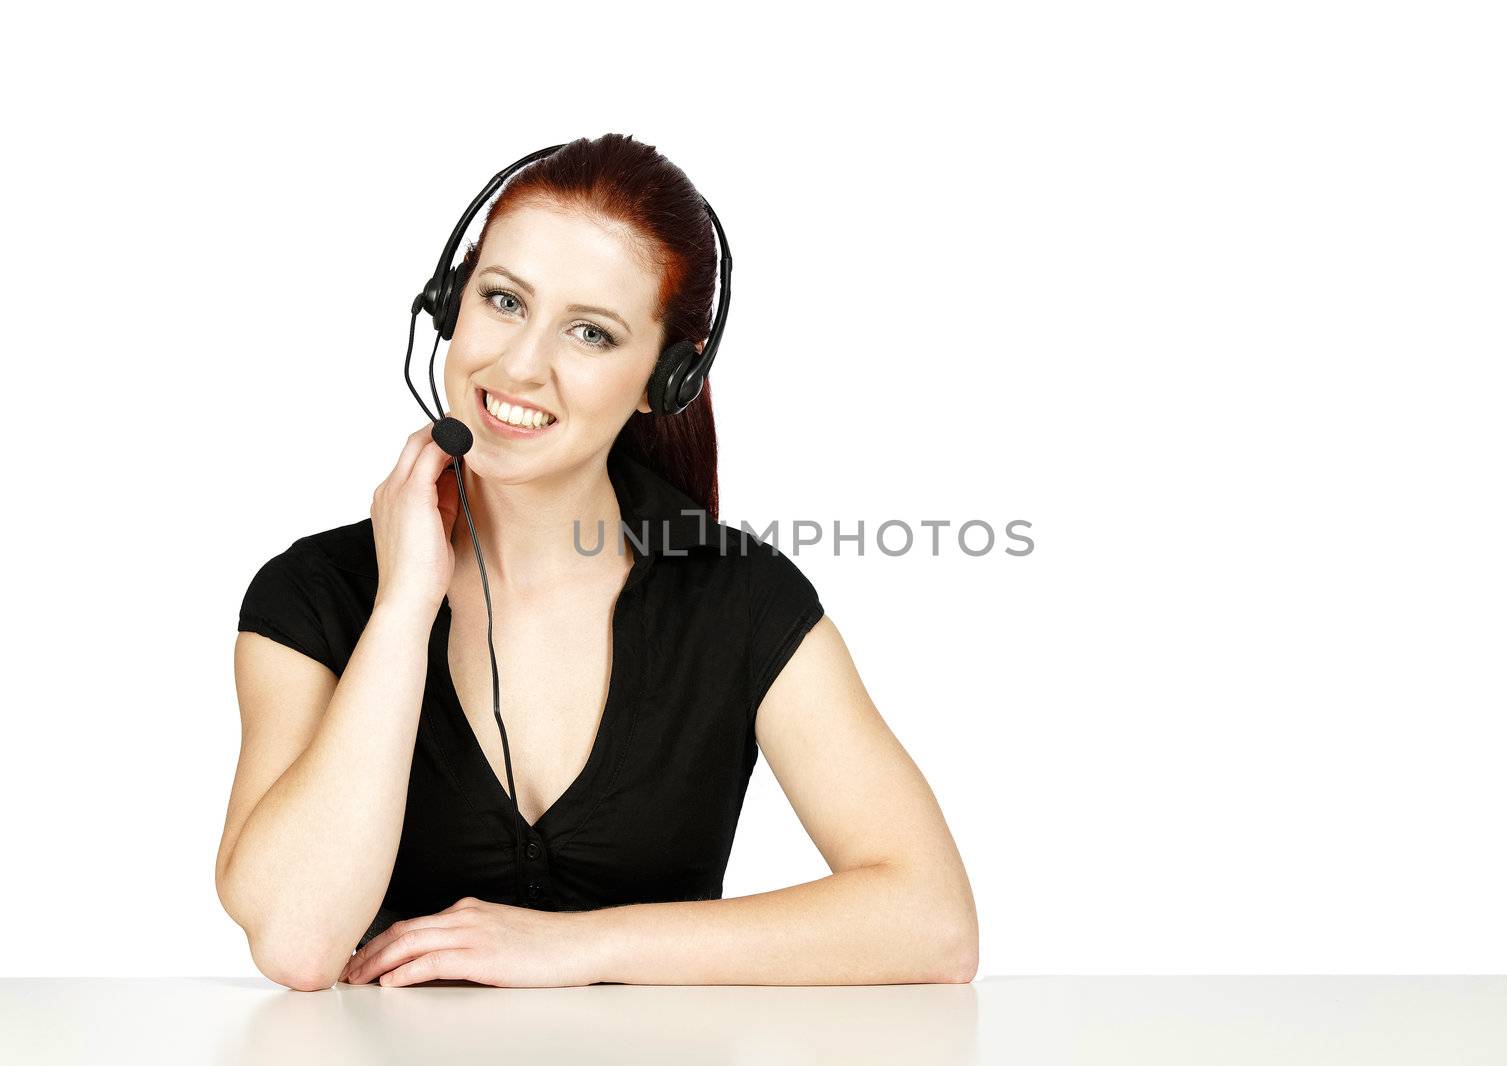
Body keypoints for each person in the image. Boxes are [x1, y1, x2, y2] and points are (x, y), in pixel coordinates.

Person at [216, 134, 978, 991]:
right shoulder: (314, 596)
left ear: (668, 379)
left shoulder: (738, 598)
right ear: (447, 304)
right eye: (503, 301)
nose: (519, 365)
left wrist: (575, 948)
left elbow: (932, 924)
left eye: (589, 332)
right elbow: (296, 941)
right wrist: (403, 607)